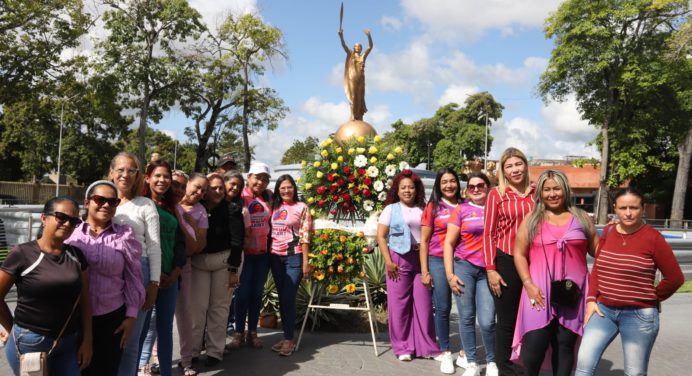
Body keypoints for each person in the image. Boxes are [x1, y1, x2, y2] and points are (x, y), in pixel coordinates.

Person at [575, 187, 684, 376]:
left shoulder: (653, 238)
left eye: (633, 208)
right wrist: (592, 299)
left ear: (642, 209)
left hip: (639, 316)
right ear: (615, 208)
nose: (628, 213)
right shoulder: (608, 231)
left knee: (634, 373)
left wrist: (651, 297)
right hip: (604, 312)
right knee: (583, 367)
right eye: (623, 208)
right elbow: (599, 268)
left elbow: (675, 278)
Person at [511, 171, 598, 376]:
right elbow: (519, 254)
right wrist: (528, 284)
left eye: (556, 188)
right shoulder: (532, 219)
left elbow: (599, 252)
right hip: (538, 292)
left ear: (565, 190)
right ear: (540, 192)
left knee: (565, 346)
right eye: (547, 189)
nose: (552, 194)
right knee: (534, 346)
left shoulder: (581, 218)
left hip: (572, 294)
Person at [1, 197, 91, 375]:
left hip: (69, 341)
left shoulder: (76, 255)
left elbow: (85, 301)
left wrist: (88, 340)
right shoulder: (22, 253)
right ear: (44, 218)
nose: (67, 223)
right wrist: (12, 328)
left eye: (73, 221)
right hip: (30, 342)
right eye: (60, 217)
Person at [66, 181, 145, 376]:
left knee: (106, 370)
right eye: (99, 199)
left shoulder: (124, 235)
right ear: (87, 202)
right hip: (73, 318)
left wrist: (131, 316)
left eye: (112, 201)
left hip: (111, 319)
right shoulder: (70, 232)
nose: (106, 205)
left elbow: (134, 276)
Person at [377, 169, 440, 361]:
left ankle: (427, 347)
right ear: (397, 190)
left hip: (420, 259)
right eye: (403, 187)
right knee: (399, 305)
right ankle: (403, 347)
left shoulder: (424, 209)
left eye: (411, 187)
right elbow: (381, 236)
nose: (407, 191)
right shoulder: (391, 209)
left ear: (417, 189)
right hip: (398, 259)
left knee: (424, 305)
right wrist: (388, 261)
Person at [483, 147, 535, 376]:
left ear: (525, 165)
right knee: (507, 320)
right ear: (503, 171)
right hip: (506, 260)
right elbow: (488, 234)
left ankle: (530, 364)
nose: (515, 169)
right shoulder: (497, 194)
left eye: (518, 164)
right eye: (509, 166)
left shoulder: (537, 193)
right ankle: (505, 369)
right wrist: (490, 269)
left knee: (534, 316)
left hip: (535, 261)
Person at [109, 152, 162, 376]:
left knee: (129, 341)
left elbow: (154, 246)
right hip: (106, 272)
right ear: (111, 172)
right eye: (120, 169)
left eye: (131, 170)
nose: (125, 175)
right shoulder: (102, 199)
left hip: (139, 272)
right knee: (108, 336)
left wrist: (154, 284)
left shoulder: (145, 205)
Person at [444, 172, 498, 376]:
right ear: (467, 190)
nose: (476, 189)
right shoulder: (461, 209)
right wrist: (450, 275)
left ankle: (492, 362)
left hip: (489, 271)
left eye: (480, 185)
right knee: (466, 317)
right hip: (464, 266)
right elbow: (449, 243)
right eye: (472, 186)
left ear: (488, 186)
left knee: (487, 320)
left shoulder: (496, 208)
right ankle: (472, 363)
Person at [138, 160, 187, 376]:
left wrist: (176, 270)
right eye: (157, 176)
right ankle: (137, 369)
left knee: (165, 330)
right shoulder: (138, 204)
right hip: (146, 277)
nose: (162, 180)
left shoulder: (172, 208)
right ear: (147, 178)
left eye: (166, 176)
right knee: (140, 329)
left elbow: (180, 243)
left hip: (170, 278)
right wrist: (155, 274)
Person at [190, 173, 243, 366]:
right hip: (199, 263)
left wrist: (233, 271)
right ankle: (192, 351)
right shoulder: (197, 208)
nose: (219, 191)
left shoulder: (232, 210)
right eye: (213, 188)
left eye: (221, 187)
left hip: (224, 262)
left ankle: (215, 351)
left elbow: (238, 242)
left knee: (219, 309)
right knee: (196, 309)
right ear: (205, 191)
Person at [419, 168, 462, 374]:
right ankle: (445, 351)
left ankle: (465, 353)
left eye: (452, 181)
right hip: (437, 260)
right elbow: (424, 241)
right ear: (438, 185)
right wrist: (425, 271)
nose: (449, 185)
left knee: (466, 309)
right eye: (444, 182)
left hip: (462, 261)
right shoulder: (433, 207)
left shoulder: (465, 206)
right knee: (443, 307)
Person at [268, 174, 312, 357]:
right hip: (275, 257)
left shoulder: (302, 207)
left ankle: (289, 340)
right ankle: (287, 336)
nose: (286, 190)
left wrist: (306, 261)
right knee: (283, 298)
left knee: (287, 298)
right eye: (282, 187)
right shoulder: (275, 206)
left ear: (295, 188)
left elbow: (305, 235)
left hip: (294, 257)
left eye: (289, 187)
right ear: (278, 189)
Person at [231, 162, 272, 350]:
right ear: (249, 177)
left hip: (262, 254)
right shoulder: (239, 196)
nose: (260, 182)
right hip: (244, 255)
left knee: (256, 294)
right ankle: (239, 333)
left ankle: (253, 332)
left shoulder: (268, 197)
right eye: (257, 178)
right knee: (242, 294)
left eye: (265, 179)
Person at [175, 173, 209, 376]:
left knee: (185, 314)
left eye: (203, 191)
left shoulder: (201, 211)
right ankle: (152, 359)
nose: (198, 193)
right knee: (156, 315)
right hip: (161, 265)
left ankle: (187, 359)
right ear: (186, 184)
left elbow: (200, 244)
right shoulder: (169, 202)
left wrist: (192, 224)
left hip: (185, 263)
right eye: (196, 187)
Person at [338, 27, 373, 120]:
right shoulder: (350, 54)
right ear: (354, 48)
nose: (357, 47)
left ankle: (360, 116)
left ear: (361, 48)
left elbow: (370, 47)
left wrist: (369, 36)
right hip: (352, 78)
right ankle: (353, 115)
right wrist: (341, 36)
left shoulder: (362, 57)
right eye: (356, 46)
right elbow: (344, 46)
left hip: (361, 79)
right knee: (353, 95)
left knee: (360, 97)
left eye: (359, 46)